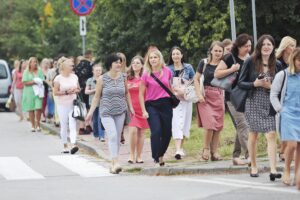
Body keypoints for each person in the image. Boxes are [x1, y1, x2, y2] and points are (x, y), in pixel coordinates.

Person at [238, 34, 282, 181]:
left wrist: (271, 87)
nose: (266, 47)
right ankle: (254, 165)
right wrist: (254, 84)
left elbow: (282, 86)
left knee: (271, 134)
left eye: (269, 44)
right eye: (264, 44)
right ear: (259, 46)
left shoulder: (278, 64)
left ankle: (273, 169)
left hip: (270, 101)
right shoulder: (251, 61)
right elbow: (240, 83)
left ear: (273, 47)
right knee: (254, 134)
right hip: (253, 101)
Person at [85, 53, 134, 174]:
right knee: (112, 135)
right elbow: (96, 97)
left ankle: (113, 164)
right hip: (106, 112)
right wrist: (90, 113)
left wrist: (131, 108)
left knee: (117, 138)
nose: (119, 64)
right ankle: (116, 162)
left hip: (120, 111)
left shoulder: (123, 77)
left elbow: (126, 93)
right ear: (110, 64)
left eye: (120, 62)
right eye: (116, 62)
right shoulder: (102, 79)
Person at [215, 33, 253, 165]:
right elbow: (217, 73)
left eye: (249, 45)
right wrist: (231, 69)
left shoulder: (251, 58)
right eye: (245, 46)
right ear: (239, 46)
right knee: (243, 124)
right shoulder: (229, 57)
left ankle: (236, 156)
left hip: (247, 96)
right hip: (232, 96)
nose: (248, 48)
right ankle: (250, 156)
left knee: (241, 125)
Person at [270, 47, 300, 186]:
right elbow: (274, 94)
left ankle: (297, 173)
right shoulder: (283, 75)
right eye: (299, 60)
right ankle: (287, 170)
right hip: (287, 113)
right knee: (292, 144)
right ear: (293, 60)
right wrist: (280, 110)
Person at [139, 49, 173, 166]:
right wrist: (143, 110)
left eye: (155, 57)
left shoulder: (167, 71)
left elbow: (170, 87)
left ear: (160, 59)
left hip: (166, 104)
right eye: (151, 58)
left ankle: (161, 154)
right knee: (156, 131)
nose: (153, 59)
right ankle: (156, 157)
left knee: (167, 133)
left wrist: (176, 97)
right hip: (151, 105)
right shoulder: (145, 74)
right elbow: (141, 94)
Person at [194, 41, 225, 161]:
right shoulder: (204, 62)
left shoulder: (225, 64)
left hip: (219, 95)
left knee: (218, 125)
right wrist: (199, 94)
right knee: (210, 124)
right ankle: (205, 149)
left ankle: (214, 152)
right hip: (205, 95)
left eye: (220, 51)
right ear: (211, 51)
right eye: (215, 50)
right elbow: (196, 79)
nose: (217, 53)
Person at [167, 46, 195, 160]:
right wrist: (173, 91)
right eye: (173, 54)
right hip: (174, 100)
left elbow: (194, 80)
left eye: (177, 54)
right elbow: (165, 83)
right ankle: (177, 149)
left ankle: (181, 148)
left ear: (182, 55)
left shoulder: (188, 67)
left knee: (185, 123)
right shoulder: (168, 69)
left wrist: (186, 89)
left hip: (187, 99)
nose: (175, 56)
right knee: (176, 122)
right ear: (171, 56)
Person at [275, 36, 297, 161]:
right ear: (285, 47)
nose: (294, 48)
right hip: (277, 95)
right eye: (291, 46)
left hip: (290, 96)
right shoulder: (278, 62)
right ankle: (283, 151)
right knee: (282, 124)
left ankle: (284, 151)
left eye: (294, 46)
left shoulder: (293, 62)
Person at [53, 57, 80, 154]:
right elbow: (55, 92)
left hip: (73, 104)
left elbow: (78, 89)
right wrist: (66, 92)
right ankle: (65, 145)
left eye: (72, 66)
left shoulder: (74, 76)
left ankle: (73, 144)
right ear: (64, 67)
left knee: (73, 124)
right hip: (62, 105)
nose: (72, 67)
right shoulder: (58, 78)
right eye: (70, 66)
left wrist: (74, 91)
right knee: (64, 125)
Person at [127, 56, 149, 163]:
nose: (135, 64)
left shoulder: (145, 78)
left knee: (141, 133)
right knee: (133, 131)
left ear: (142, 65)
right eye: (133, 63)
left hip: (143, 108)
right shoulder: (127, 78)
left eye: (137, 63)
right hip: (131, 109)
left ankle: (139, 156)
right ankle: (131, 154)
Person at [22, 57, 44, 132]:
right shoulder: (26, 72)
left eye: (35, 62)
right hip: (29, 92)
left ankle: (38, 124)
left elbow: (42, 79)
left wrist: (38, 81)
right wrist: (34, 82)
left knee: (38, 108)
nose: (34, 63)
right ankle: (32, 125)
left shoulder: (39, 70)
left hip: (38, 92)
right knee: (31, 109)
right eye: (33, 62)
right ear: (30, 63)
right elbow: (25, 82)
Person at [74, 50, 93, 135]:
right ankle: (87, 125)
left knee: (81, 108)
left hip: (79, 89)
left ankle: (81, 128)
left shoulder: (77, 66)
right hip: (88, 88)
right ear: (90, 55)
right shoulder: (90, 65)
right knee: (88, 107)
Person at [85, 63, 105, 141]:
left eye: (99, 70)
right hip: (93, 102)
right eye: (96, 70)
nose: (98, 72)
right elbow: (86, 91)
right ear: (93, 71)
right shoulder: (90, 80)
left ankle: (102, 136)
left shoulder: (104, 79)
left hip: (102, 102)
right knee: (95, 120)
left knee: (101, 119)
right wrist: (94, 90)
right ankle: (96, 134)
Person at [40, 58, 50, 122]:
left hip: (48, 88)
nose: (46, 64)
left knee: (47, 102)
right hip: (41, 88)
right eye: (45, 63)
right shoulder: (40, 71)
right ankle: (42, 115)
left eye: (47, 63)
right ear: (42, 64)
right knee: (42, 102)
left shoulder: (49, 71)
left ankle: (47, 115)